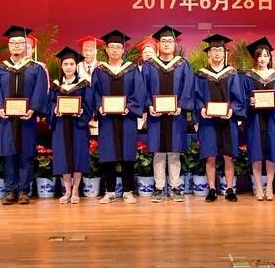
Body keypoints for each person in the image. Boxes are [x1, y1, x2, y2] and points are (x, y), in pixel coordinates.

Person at [0, 25, 48, 205]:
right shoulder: (0, 68)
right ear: (8, 46)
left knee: (26, 154)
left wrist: (33, 108)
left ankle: (24, 191)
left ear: (26, 45)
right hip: (6, 119)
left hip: (27, 118)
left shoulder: (35, 68)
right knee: (8, 155)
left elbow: (40, 91)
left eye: (20, 43)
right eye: (13, 43)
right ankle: (10, 191)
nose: (16, 46)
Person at [141, 26, 194, 203]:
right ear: (158, 44)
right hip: (155, 116)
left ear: (175, 44)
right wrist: (149, 106)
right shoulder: (150, 65)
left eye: (170, 41)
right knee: (158, 152)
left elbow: (188, 88)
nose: (166, 44)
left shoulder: (183, 64)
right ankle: (158, 188)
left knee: (174, 152)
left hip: (176, 116)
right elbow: (143, 88)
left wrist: (181, 106)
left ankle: (175, 187)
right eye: (163, 41)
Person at [91, 30, 145, 204]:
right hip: (107, 119)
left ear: (123, 50)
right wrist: (99, 107)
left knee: (127, 154)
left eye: (118, 47)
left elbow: (139, 92)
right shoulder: (99, 71)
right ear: (106, 49)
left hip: (127, 118)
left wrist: (130, 107)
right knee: (108, 154)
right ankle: (110, 191)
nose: (115, 50)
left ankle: (128, 191)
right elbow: (94, 93)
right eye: (112, 47)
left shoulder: (132, 70)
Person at [193, 34, 246, 203]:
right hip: (208, 121)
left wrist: (232, 109)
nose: (217, 53)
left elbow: (239, 97)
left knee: (229, 155)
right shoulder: (201, 75)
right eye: (214, 50)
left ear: (225, 53)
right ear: (209, 53)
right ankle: (212, 189)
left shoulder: (232, 74)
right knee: (210, 155)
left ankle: (229, 189)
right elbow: (196, 97)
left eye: (220, 50)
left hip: (228, 120)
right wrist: (201, 108)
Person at [46, 46, 94, 205]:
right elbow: (49, 104)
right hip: (60, 125)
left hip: (78, 126)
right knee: (63, 157)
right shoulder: (55, 85)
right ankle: (67, 191)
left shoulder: (83, 84)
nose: (68, 67)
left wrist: (81, 111)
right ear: (61, 66)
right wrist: (55, 110)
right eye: (65, 64)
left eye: (71, 64)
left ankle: (75, 190)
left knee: (78, 156)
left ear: (76, 66)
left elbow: (89, 104)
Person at [242, 37, 275, 201]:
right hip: (255, 119)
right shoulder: (248, 76)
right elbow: (242, 97)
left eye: (266, 55)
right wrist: (249, 101)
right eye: (259, 55)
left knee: (272, 151)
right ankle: (259, 188)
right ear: (255, 57)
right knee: (256, 152)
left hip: (272, 119)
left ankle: (270, 187)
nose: (263, 59)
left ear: (270, 57)